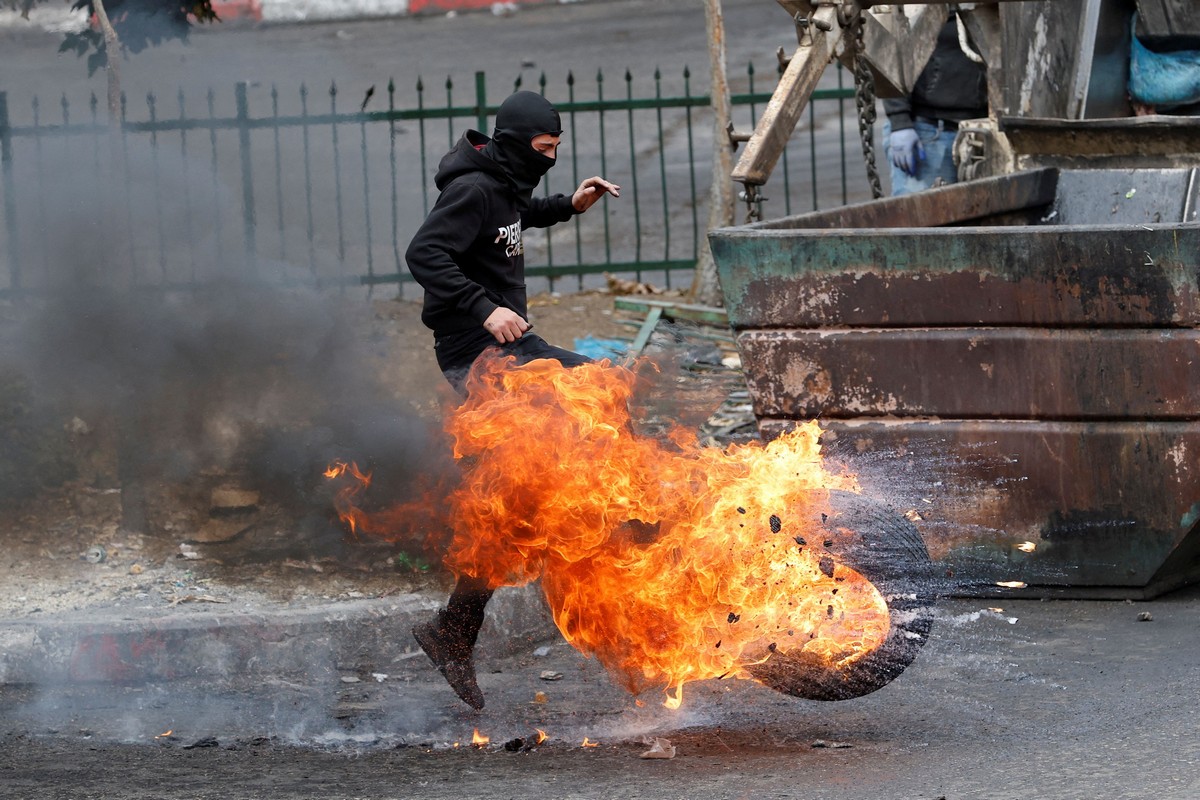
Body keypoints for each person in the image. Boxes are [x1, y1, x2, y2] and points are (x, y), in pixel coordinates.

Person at [404, 90, 619, 710]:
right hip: (477, 351)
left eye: (557, 152)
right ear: (519, 143)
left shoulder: (503, 178)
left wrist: (568, 206)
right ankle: (616, 516)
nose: (550, 160)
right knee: (596, 387)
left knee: (514, 500)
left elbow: (514, 216)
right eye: (545, 151)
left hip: (508, 343)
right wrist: (485, 307)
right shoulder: (471, 189)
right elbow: (426, 253)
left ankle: (452, 631)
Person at [883, 10, 988, 196]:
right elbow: (891, 50)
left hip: (984, 131)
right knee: (921, 220)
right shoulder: (921, 10)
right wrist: (899, 122)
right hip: (929, 132)